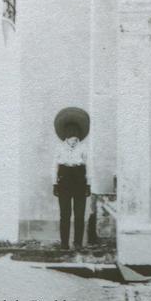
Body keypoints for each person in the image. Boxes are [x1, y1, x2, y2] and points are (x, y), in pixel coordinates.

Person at [52, 107, 91, 251]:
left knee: (79, 214)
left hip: (80, 180)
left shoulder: (84, 148)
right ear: (66, 137)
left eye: (76, 138)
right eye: (71, 138)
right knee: (65, 214)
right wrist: (54, 184)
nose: (74, 141)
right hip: (65, 181)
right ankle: (64, 244)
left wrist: (88, 185)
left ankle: (78, 243)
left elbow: (89, 167)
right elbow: (54, 167)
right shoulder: (59, 148)